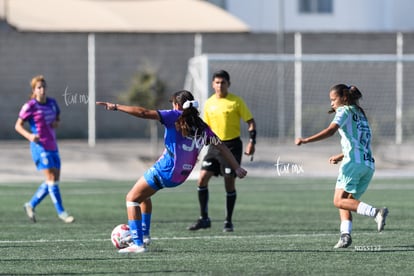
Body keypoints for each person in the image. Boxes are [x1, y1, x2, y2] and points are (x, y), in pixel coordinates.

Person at [96, 90, 247, 253]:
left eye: (173, 103)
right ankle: (144, 235)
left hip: (165, 170)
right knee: (144, 196)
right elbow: (221, 146)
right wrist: (236, 167)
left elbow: (143, 112)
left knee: (131, 199)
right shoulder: (202, 127)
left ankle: (138, 243)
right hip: (180, 177)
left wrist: (116, 107)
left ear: (176, 105)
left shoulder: (173, 116)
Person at [295, 84, 388, 248]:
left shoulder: (344, 111)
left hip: (353, 164)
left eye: (333, 99)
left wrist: (306, 140)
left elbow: (331, 130)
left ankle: (376, 213)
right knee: (347, 200)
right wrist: (341, 155)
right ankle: (345, 235)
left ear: (344, 98)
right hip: (367, 164)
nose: (331, 103)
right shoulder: (360, 114)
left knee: (339, 200)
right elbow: (359, 142)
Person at [187, 70, 256, 232]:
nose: (219, 85)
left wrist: (252, 141)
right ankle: (204, 218)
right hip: (213, 146)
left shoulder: (236, 101)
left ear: (228, 84)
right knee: (202, 178)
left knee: (229, 182)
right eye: (217, 82)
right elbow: (206, 129)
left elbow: (250, 122)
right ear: (213, 84)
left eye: (223, 82)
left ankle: (228, 221)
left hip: (232, 146)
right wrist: (196, 151)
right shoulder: (209, 103)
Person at [15, 75, 75, 224]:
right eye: (38, 88)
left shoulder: (52, 103)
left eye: (43, 87)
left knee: (53, 182)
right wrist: (29, 136)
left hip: (52, 145)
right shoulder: (30, 106)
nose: (42, 90)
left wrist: (56, 123)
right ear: (34, 90)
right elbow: (18, 126)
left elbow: (57, 118)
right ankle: (62, 213)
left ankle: (31, 204)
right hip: (39, 146)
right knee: (51, 180)